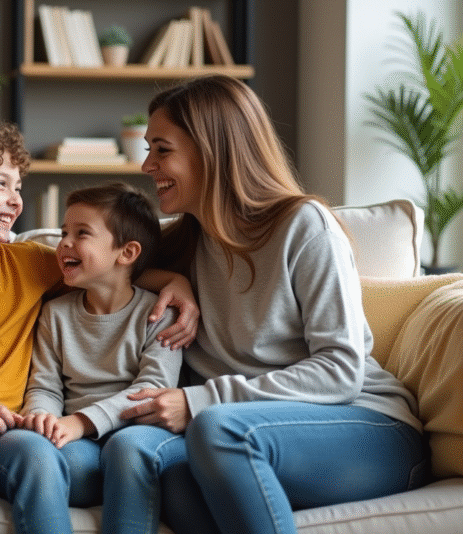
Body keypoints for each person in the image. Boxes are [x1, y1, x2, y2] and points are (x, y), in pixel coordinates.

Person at [119, 75, 428, 534]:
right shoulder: (183, 243)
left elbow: (342, 368)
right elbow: (92, 270)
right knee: (175, 481)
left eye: (162, 149)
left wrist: (202, 400)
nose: (147, 165)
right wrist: (170, 278)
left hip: (370, 429)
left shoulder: (303, 225)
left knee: (217, 429)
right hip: (246, 438)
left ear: (213, 150)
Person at [0, 121, 198, 534]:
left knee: (40, 457)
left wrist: (173, 282)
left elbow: (107, 270)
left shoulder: (28, 262)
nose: (15, 200)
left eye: (18, 186)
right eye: (1, 184)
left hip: (14, 428)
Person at [20, 182, 183, 534]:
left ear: (126, 253)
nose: (64, 242)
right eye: (64, 231)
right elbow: (45, 384)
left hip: (140, 432)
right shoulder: (55, 315)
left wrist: (79, 422)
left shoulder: (159, 315)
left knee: (126, 448)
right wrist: (41, 417)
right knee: (61, 463)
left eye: (82, 233)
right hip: (81, 442)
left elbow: (153, 389)